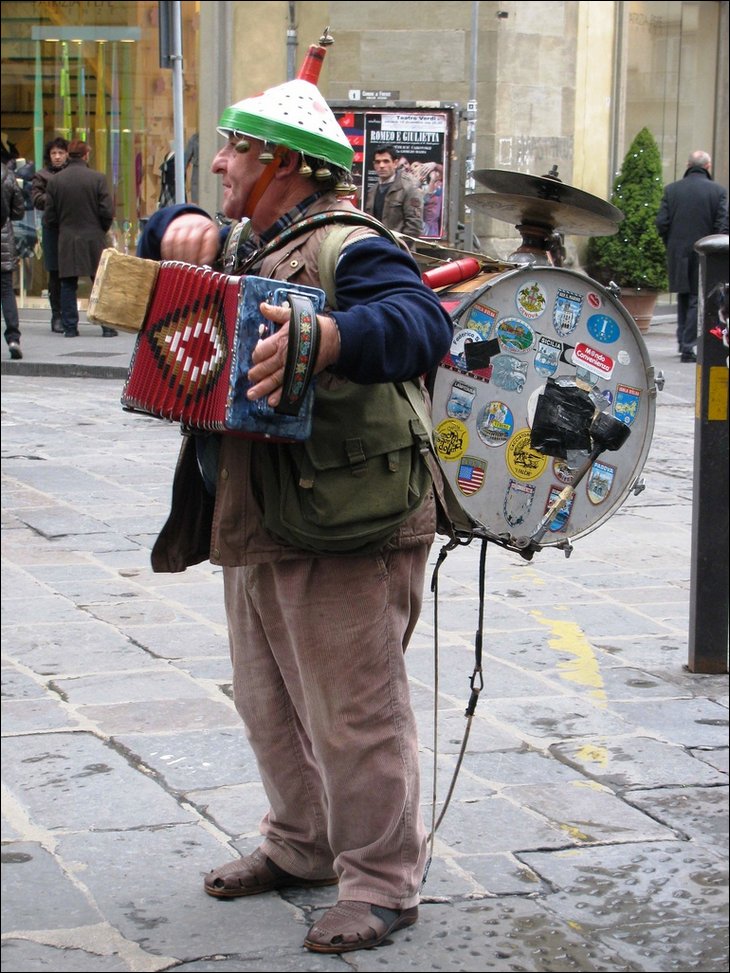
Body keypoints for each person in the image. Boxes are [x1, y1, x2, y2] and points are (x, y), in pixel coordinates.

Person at [136, 50, 453, 955]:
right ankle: (302, 842)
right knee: (267, 698)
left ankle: (384, 880)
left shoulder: (350, 242)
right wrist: (183, 219)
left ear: (281, 164)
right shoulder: (244, 239)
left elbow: (421, 322)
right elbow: (164, 226)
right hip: (261, 509)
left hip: (349, 519)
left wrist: (332, 333)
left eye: (234, 152)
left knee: (355, 710)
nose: (223, 165)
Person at [656, 149, 728, 362]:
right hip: (706, 250)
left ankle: (683, 341)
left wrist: (671, 243)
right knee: (697, 296)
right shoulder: (718, 191)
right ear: (708, 167)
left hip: (677, 249)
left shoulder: (672, 190)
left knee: (684, 294)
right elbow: (723, 224)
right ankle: (688, 345)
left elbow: (662, 222)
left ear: (688, 166)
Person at [44, 139, 117, 338]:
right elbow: (107, 211)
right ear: (86, 155)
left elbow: (49, 216)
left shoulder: (56, 181)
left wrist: (62, 228)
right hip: (94, 236)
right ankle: (107, 327)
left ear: (68, 154)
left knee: (67, 283)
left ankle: (70, 327)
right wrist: (100, 229)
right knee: (99, 282)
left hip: (67, 237)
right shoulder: (97, 179)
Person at [31, 137, 69, 333]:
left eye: (60, 153)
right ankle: (56, 315)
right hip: (52, 229)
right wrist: (57, 195)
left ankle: (70, 315)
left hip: (71, 228)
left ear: (67, 155)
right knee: (54, 272)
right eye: (54, 153)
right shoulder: (42, 175)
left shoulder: (73, 174)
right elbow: (37, 199)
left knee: (70, 273)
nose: (57, 157)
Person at [364, 144, 424, 236]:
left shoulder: (409, 188)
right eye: (378, 162)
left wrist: (398, 248)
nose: (381, 165)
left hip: (398, 247)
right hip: (376, 246)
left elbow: (414, 227)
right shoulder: (372, 191)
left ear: (395, 163)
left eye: (386, 161)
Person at [1, 161, 25, 359]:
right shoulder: (8, 176)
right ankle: (13, 338)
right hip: (3, 241)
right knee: (7, 291)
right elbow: (18, 211)